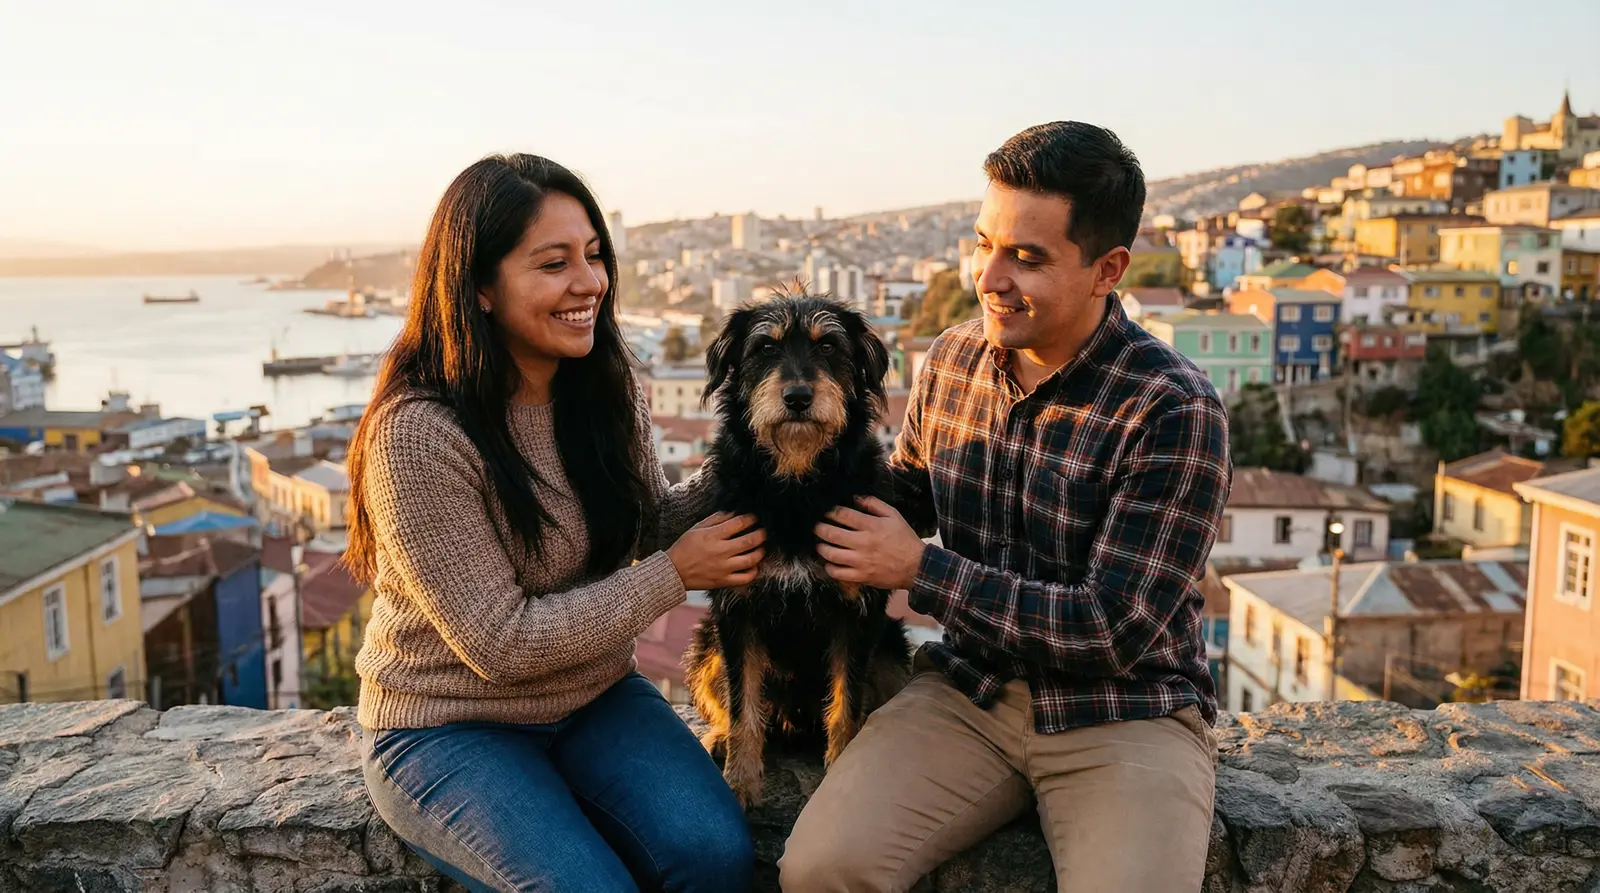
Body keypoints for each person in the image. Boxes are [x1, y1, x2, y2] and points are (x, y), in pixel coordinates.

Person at [782, 122, 1232, 892]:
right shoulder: (954, 359)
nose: (989, 277)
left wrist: (923, 571)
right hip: (970, 692)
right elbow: (904, 498)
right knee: (821, 868)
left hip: (1125, 711)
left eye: (1027, 257)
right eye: (984, 244)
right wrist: (763, 482)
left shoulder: (1171, 408)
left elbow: (1111, 628)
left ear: (1107, 269)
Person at [344, 153, 763, 893]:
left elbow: (649, 523)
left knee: (715, 855)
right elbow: (499, 644)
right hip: (449, 723)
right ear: (479, 286)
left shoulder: (604, 386)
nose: (589, 282)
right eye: (553, 263)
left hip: (594, 697)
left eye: (594, 256)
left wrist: (754, 457)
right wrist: (673, 576)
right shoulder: (418, 433)